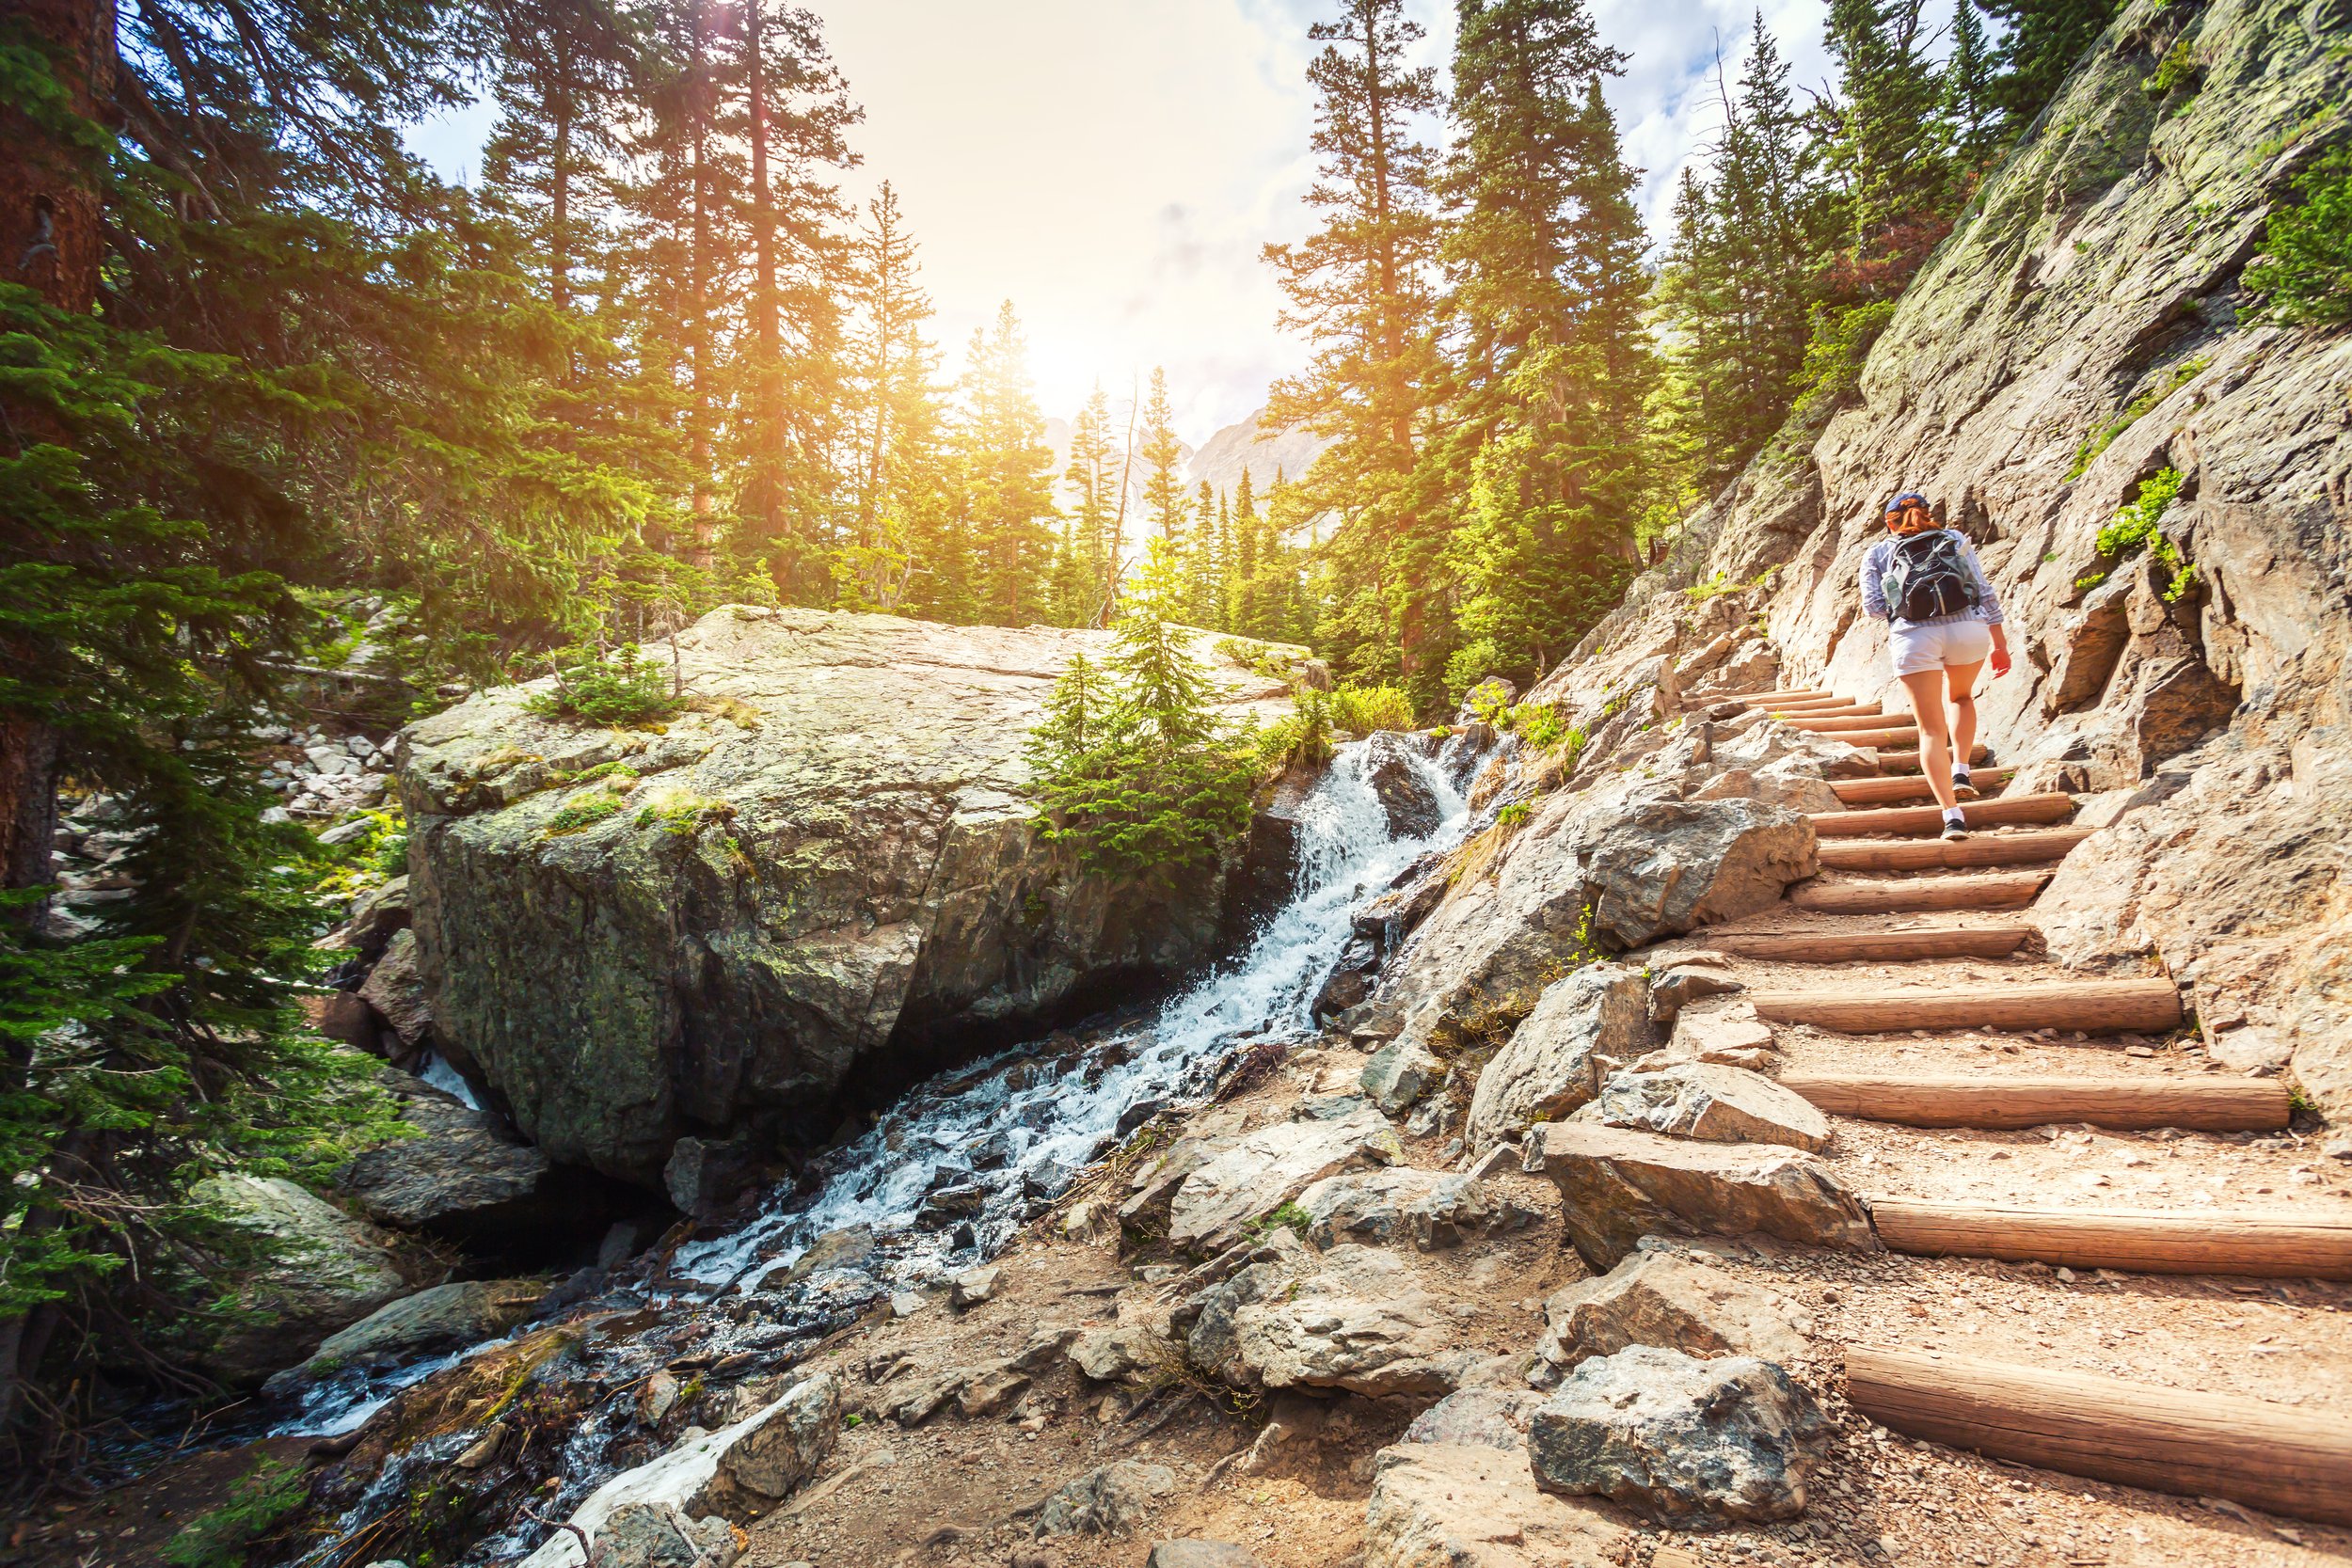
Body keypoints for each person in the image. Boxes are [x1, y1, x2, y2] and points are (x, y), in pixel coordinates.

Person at [1861, 491, 2010, 840]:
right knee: (1961, 698)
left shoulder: (1879, 552)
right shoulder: (1954, 538)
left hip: (1914, 638)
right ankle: (1961, 769)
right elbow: (1984, 591)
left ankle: (1952, 817)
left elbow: (1873, 606)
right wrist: (1999, 644)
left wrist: (1907, 612)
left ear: (1889, 522)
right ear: (1928, 514)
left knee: (1930, 730)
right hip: (1967, 630)